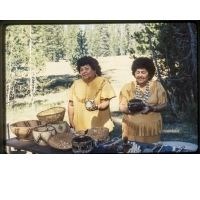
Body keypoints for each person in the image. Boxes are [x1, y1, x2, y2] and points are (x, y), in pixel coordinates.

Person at [119, 57, 167, 143]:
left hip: (151, 130)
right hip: (131, 130)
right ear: (134, 73)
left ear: (149, 74)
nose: (140, 75)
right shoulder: (127, 87)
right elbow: (122, 107)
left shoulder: (157, 86)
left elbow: (163, 105)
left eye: (143, 72)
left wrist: (152, 108)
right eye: (138, 72)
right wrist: (130, 110)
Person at [68, 56, 116, 133]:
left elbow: (106, 102)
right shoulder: (76, 84)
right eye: (81, 70)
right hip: (80, 127)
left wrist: (97, 107)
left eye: (87, 68)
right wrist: (71, 121)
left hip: (100, 126)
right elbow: (71, 104)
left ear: (94, 69)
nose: (84, 71)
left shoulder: (103, 82)